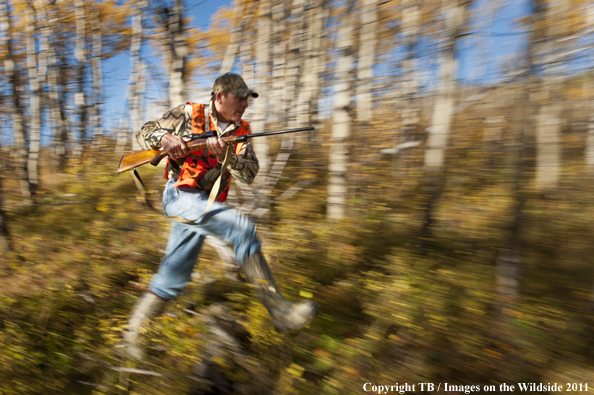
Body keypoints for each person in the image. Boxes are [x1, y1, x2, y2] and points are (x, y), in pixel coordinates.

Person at [123, 73, 317, 360]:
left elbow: (249, 173)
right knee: (243, 230)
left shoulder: (242, 132)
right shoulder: (188, 113)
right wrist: (166, 138)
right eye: (238, 97)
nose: (243, 104)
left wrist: (229, 156)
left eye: (246, 99)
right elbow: (145, 132)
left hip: (204, 203)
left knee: (173, 276)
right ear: (218, 97)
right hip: (180, 196)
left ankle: (131, 338)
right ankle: (280, 313)